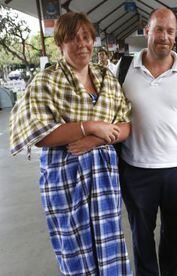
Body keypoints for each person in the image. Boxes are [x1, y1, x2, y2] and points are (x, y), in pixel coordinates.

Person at [9, 12, 132, 275]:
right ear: (60, 44)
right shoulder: (47, 81)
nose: (81, 44)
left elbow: (125, 126)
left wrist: (95, 138)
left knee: (108, 243)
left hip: (103, 179)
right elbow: (38, 133)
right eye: (72, 39)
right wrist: (88, 126)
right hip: (66, 177)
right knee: (75, 246)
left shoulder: (107, 79)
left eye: (86, 37)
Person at [118, 8, 177, 276]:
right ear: (147, 31)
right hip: (135, 168)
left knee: (173, 235)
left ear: (175, 35)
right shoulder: (124, 68)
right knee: (141, 236)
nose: (164, 36)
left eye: (170, 31)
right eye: (159, 29)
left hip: (176, 169)